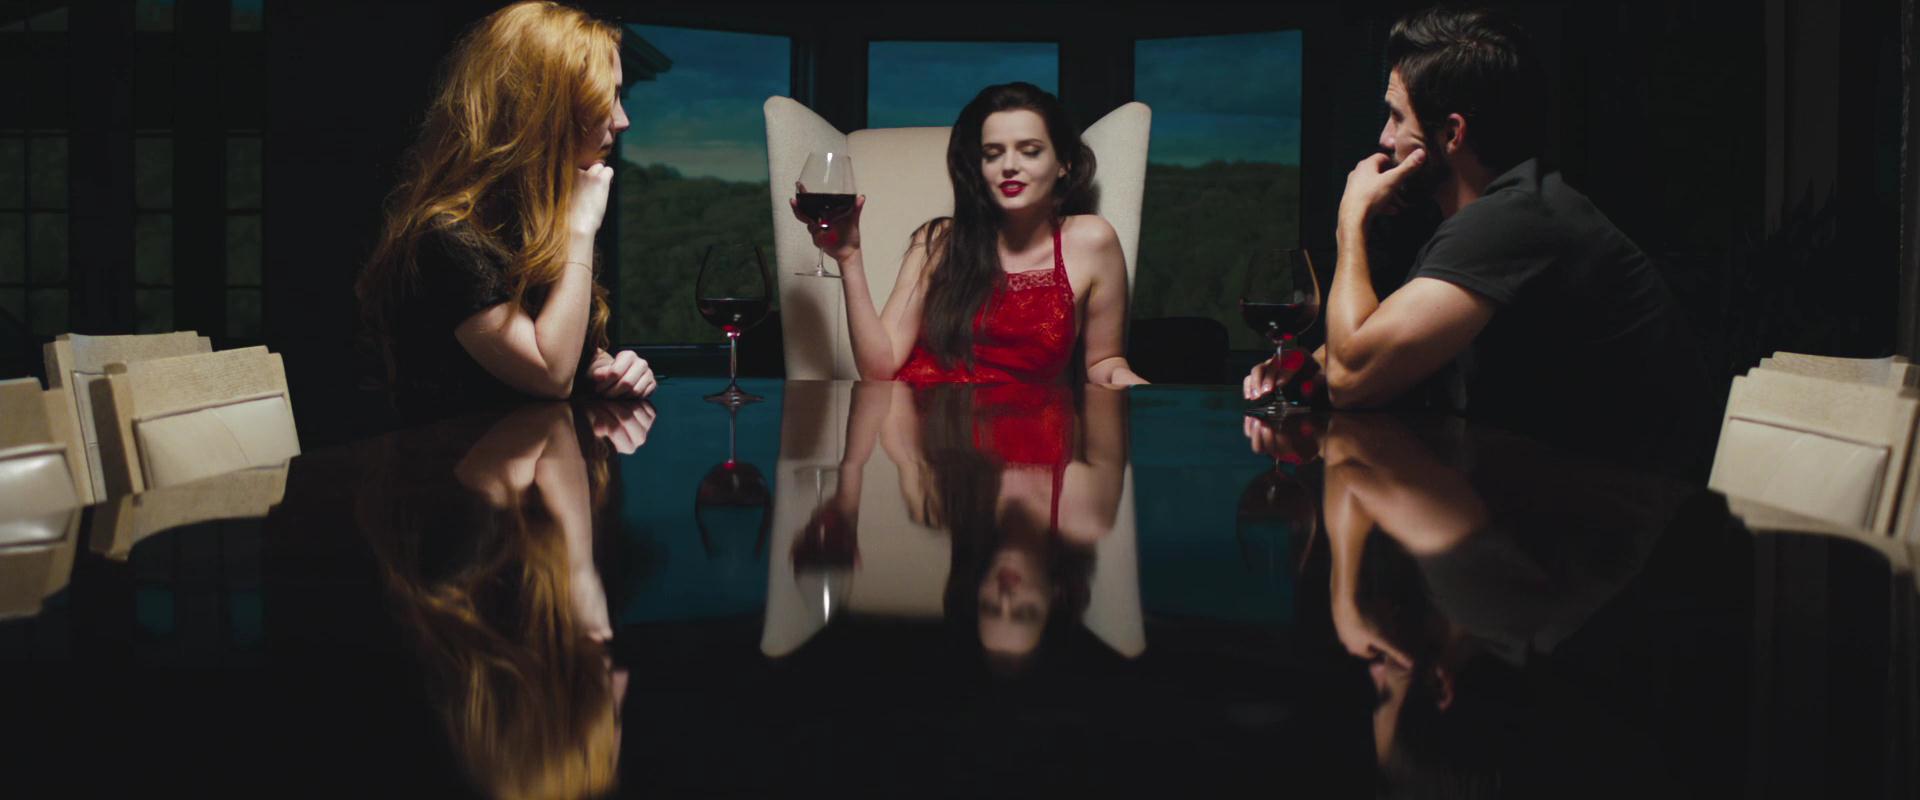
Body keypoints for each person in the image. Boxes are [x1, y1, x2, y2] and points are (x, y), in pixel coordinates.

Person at [1244, 7, 1709, 467]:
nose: (1384, 138)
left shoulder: (1514, 221)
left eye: (1396, 117)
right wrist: (1304, 367)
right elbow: (1371, 346)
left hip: (1623, 504)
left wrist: (1352, 218)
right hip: (1541, 490)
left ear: (1451, 134)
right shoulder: (1492, 218)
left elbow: (1352, 379)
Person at [358, 1, 656, 422]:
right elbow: (549, 375)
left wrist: (607, 367)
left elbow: (563, 354)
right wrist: (581, 228)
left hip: (530, 457)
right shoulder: (446, 237)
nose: (622, 120)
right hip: (448, 462)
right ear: (545, 110)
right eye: (606, 97)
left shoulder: (532, 223)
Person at [792, 82, 1148, 386]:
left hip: (1030, 435)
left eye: (1030, 151)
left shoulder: (1093, 240)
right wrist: (849, 257)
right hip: (923, 428)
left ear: (1063, 164)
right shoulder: (938, 241)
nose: (1009, 165)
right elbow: (879, 369)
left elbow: (1103, 361)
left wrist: (1142, 390)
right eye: (992, 154)